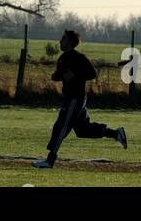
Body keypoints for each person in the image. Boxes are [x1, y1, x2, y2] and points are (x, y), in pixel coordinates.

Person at [32, 30, 126, 168]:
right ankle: (116, 133)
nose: (60, 41)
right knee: (83, 130)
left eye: (63, 39)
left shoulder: (79, 58)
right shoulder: (63, 58)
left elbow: (92, 74)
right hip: (71, 99)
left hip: (75, 99)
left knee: (61, 127)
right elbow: (59, 75)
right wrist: (57, 76)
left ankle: (49, 161)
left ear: (70, 42)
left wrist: (75, 75)